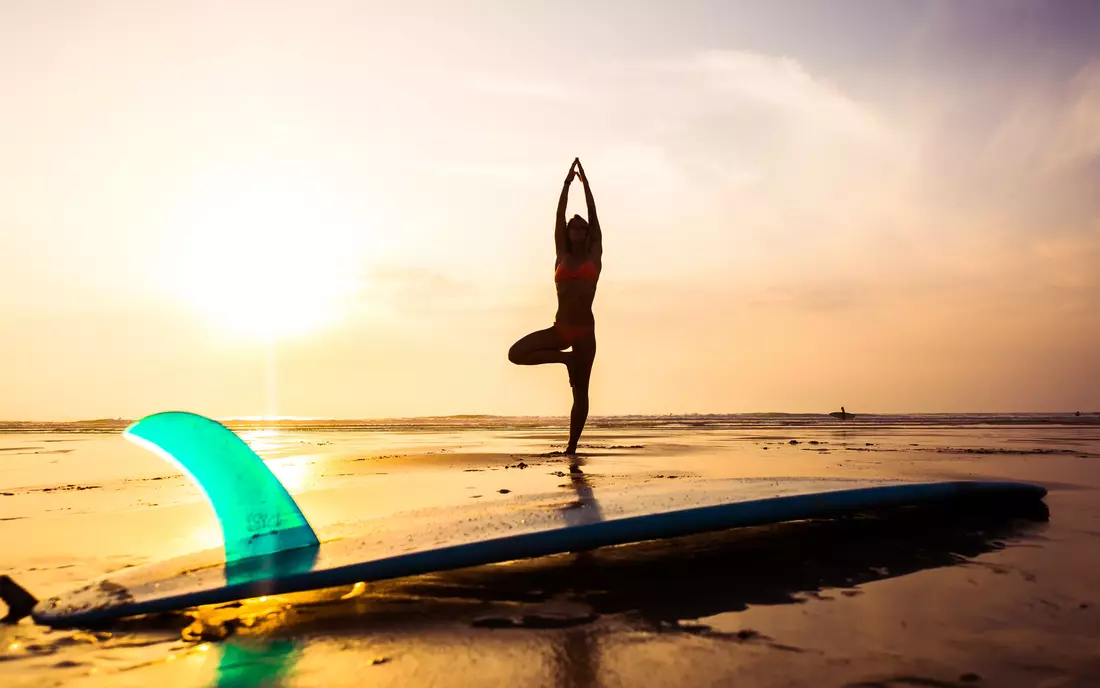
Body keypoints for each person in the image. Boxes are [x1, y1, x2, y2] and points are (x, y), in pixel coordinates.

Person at [508, 158, 602, 455]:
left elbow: (594, 215)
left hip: (585, 332)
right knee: (516, 354)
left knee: (581, 393)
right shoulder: (561, 252)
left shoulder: (594, 254)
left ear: (587, 235)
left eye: (581, 229)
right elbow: (559, 216)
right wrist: (565, 185)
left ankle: (571, 448)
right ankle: (565, 361)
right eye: (572, 229)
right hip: (561, 329)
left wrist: (585, 185)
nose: (576, 231)